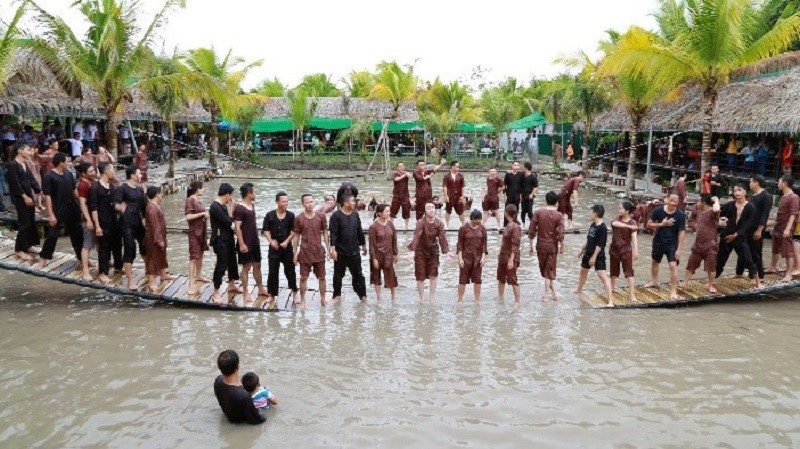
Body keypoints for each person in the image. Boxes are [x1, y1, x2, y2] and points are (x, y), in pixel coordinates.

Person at [35, 153, 83, 269]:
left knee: (77, 234)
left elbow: (74, 192)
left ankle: (82, 258)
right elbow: (48, 197)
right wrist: (51, 214)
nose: (69, 163)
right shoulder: (49, 176)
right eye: (67, 161)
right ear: (61, 162)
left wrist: (82, 205)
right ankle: (43, 259)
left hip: (72, 208)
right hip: (58, 209)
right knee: (52, 234)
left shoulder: (68, 174)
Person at [716, 184, 760, 288]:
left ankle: (757, 282)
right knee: (720, 259)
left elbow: (747, 225)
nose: (737, 193)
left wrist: (735, 235)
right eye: (735, 191)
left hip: (740, 237)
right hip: (726, 237)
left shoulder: (750, 207)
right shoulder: (730, 205)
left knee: (748, 259)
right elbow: (719, 215)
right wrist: (720, 222)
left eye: (739, 190)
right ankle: (712, 281)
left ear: (745, 192)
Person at [645, 193, 686, 301]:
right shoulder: (658, 211)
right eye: (671, 200)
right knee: (655, 261)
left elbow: (682, 233)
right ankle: (654, 281)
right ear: (667, 200)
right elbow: (649, 224)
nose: (673, 203)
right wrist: (662, 224)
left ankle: (673, 292)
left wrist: (679, 250)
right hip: (659, 240)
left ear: (678, 202)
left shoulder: (681, 215)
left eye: (676, 201)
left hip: (672, 243)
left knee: (673, 265)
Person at [230, 183, 266, 304]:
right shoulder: (240, 208)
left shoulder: (252, 206)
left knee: (257, 265)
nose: (255, 194)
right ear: (249, 193)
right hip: (245, 242)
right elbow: (237, 227)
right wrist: (241, 244)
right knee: (246, 267)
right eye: (254, 192)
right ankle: (246, 292)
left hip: (255, 241)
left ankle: (260, 288)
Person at [293, 194, 330, 308]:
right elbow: (296, 236)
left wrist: (328, 249)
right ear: (303, 204)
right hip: (304, 252)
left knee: (322, 277)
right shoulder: (299, 218)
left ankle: (323, 298)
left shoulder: (321, 216)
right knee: (303, 277)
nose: (310, 204)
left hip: (318, 251)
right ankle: (303, 299)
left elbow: (325, 232)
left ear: (314, 202)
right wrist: (295, 252)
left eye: (311, 202)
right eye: (307, 202)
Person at [6, 142, 41, 260]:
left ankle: (29, 245)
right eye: (27, 149)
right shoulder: (12, 165)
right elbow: (15, 184)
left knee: (31, 221)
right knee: (24, 222)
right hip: (20, 198)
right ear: (20, 151)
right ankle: (19, 249)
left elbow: (30, 179)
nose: (30, 152)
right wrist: (24, 197)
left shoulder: (24, 163)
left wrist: (38, 190)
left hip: (29, 196)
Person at [329, 194, 368, 301]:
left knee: (359, 274)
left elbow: (359, 231)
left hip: (354, 251)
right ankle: (337, 295)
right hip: (340, 251)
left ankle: (363, 296)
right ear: (345, 203)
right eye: (353, 201)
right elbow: (333, 234)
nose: (355, 203)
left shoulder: (355, 215)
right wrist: (332, 249)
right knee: (338, 275)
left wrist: (363, 245)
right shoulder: (336, 216)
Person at [113, 166, 147, 290]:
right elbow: (115, 203)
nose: (141, 176)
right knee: (129, 249)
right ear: (132, 175)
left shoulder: (139, 190)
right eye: (139, 173)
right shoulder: (122, 189)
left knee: (144, 245)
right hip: (126, 223)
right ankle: (130, 279)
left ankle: (148, 270)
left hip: (138, 222)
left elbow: (144, 207)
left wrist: (149, 221)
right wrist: (119, 207)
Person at [262, 191, 298, 304]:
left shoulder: (291, 215)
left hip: (286, 248)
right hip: (274, 248)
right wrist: (270, 240)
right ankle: (272, 294)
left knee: (290, 271)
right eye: (283, 202)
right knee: (273, 272)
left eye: (287, 201)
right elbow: (265, 230)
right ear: (277, 202)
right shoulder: (270, 215)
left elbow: (294, 231)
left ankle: (294, 292)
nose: (286, 203)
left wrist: (287, 241)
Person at [575, 205, 615, 307]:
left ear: (595, 214)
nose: (590, 214)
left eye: (591, 212)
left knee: (602, 276)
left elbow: (600, 245)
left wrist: (594, 257)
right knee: (583, 271)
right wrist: (581, 249)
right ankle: (579, 289)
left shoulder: (603, 228)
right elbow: (589, 239)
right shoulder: (593, 225)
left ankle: (610, 301)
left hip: (597, 255)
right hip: (588, 253)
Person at [408, 202, 449, 302]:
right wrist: (413, 251)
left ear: (435, 209)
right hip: (420, 250)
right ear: (425, 211)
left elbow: (442, 238)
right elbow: (417, 236)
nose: (431, 210)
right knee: (420, 275)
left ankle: (431, 297)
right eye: (428, 208)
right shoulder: (420, 222)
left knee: (433, 274)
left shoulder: (439, 223)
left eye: (433, 208)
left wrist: (446, 252)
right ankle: (421, 298)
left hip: (433, 250)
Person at [527, 191, 565, 300]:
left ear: (546, 200)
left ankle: (552, 292)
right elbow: (560, 233)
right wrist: (562, 245)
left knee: (547, 269)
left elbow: (531, 229)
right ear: (556, 202)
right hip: (552, 245)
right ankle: (546, 294)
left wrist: (530, 245)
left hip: (540, 245)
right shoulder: (559, 215)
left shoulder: (538, 212)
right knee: (549, 270)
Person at [90, 162, 122, 283]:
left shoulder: (112, 186)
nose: (114, 172)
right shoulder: (95, 188)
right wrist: (97, 226)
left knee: (118, 245)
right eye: (112, 170)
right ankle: (102, 272)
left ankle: (118, 266)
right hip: (103, 222)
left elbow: (114, 203)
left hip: (114, 221)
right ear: (106, 172)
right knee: (104, 248)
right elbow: (94, 208)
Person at [210, 183, 242, 303]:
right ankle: (216, 291)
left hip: (228, 238)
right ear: (227, 194)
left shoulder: (222, 206)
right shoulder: (215, 207)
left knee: (232, 261)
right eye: (231, 196)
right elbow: (228, 221)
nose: (231, 198)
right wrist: (233, 209)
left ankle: (232, 284)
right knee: (221, 265)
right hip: (220, 240)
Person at [213, 350, 265, 425]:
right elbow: (256, 420)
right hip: (241, 424)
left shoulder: (218, 381)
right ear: (238, 366)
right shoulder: (244, 395)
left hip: (229, 418)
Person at [682, 195, 720, 293]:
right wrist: (695, 226)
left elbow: (716, 209)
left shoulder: (712, 213)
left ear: (703, 203)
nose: (696, 204)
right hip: (698, 244)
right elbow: (690, 220)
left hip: (710, 245)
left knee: (710, 267)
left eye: (698, 202)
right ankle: (685, 283)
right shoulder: (699, 212)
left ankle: (711, 285)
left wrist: (716, 199)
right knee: (690, 265)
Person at [767, 175, 799, 282]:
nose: (778, 183)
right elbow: (780, 213)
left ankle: (789, 273)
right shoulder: (783, 196)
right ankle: (772, 267)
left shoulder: (793, 197)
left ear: (784, 183)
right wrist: (773, 225)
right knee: (775, 248)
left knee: (788, 251)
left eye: (779, 182)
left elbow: (793, 214)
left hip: (786, 228)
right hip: (778, 227)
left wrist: (788, 229)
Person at [144, 186, 174, 292]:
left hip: (160, 236)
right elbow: (155, 225)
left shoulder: (156, 205)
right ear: (157, 194)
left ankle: (163, 274)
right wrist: (159, 240)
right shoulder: (152, 207)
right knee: (152, 259)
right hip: (154, 238)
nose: (162, 196)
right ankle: (151, 282)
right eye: (161, 194)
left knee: (161, 255)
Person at [609, 202, 639, 303]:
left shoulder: (633, 222)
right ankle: (612, 290)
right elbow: (614, 224)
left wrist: (636, 251)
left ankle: (632, 294)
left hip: (626, 250)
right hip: (614, 249)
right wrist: (628, 227)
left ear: (627, 211)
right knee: (613, 271)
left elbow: (634, 238)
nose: (619, 210)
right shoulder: (617, 219)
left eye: (621, 209)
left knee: (629, 272)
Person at [368, 204, 399, 301]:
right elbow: (371, 244)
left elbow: (394, 239)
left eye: (389, 211)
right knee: (376, 276)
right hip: (377, 255)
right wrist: (374, 259)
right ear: (380, 213)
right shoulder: (373, 226)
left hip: (388, 255)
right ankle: (379, 297)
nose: (389, 213)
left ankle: (393, 296)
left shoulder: (390, 224)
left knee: (391, 275)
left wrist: (395, 253)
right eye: (387, 212)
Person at [457, 210, 488, 303]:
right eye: (477, 220)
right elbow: (459, 244)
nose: (479, 222)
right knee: (462, 279)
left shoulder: (482, 228)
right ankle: (460, 299)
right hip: (466, 257)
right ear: (472, 219)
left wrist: (483, 258)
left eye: (480, 219)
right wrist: (460, 258)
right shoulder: (463, 228)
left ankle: (477, 299)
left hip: (478, 258)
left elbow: (484, 244)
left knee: (478, 279)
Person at [185, 181, 210, 295]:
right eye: (202, 188)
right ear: (197, 189)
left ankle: (199, 275)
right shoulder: (190, 200)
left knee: (200, 254)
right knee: (193, 257)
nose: (203, 190)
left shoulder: (197, 200)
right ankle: (191, 284)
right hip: (194, 232)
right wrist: (202, 214)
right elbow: (189, 217)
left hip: (201, 231)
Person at [76, 162, 97, 281]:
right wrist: (88, 219)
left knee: (96, 243)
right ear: (84, 174)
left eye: (93, 170)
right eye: (91, 172)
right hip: (88, 218)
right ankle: (85, 271)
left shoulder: (91, 182)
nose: (93, 173)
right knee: (87, 245)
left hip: (95, 217)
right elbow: (82, 203)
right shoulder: (83, 185)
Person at [497, 204, 522, 303]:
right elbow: (504, 241)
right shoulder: (508, 225)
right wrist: (500, 252)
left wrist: (511, 259)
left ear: (506, 213)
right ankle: (500, 297)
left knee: (512, 279)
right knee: (501, 277)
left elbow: (515, 245)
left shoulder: (516, 227)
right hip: (503, 255)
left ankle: (517, 301)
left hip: (511, 257)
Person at [441, 160, 466, 228]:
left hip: (458, 196)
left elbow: (463, 186)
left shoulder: (461, 176)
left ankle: (463, 226)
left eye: (458, 167)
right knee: (448, 211)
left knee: (461, 211)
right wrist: (446, 196)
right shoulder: (446, 176)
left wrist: (462, 196)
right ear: (453, 167)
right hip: (450, 196)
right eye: (457, 167)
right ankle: (447, 225)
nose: (458, 168)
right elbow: (445, 186)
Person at [390, 162, 413, 230]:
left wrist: (406, 173)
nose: (401, 168)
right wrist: (404, 175)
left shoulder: (406, 173)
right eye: (399, 166)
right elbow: (396, 179)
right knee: (393, 210)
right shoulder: (394, 174)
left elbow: (410, 176)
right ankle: (390, 225)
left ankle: (406, 226)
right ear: (397, 168)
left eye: (402, 166)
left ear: (404, 167)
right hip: (396, 195)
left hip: (405, 195)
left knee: (406, 210)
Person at [502, 161, 523, 228]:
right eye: (515, 165)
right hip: (509, 194)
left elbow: (521, 186)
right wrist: (505, 196)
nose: (516, 167)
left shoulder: (520, 175)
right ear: (512, 166)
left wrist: (521, 195)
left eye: (517, 165)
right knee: (507, 209)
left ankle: (514, 223)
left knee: (516, 209)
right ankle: (505, 225)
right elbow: (505, 185)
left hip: (517, 195)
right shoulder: (508, 175)